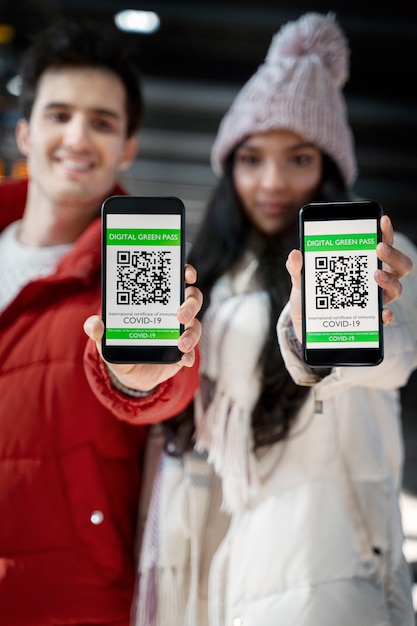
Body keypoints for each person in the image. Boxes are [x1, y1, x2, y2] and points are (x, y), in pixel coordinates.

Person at [134, 12, 417, 626]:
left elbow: (392, 359)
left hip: (321, 554)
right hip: (199, 541)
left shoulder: (376, 258)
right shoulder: (200, 271)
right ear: (228, 165)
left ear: (329, 167)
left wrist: (316, 336)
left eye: (298, 157)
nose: (271, 181)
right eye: (252, 158)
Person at [0, 18, 203, 626]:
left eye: (103, 121)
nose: (79, 136)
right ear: (24, 132)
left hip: (66, 601)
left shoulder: (136, 275)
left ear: (128, 147)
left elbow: (168, 389)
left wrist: (139, 379)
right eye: (59, 114)